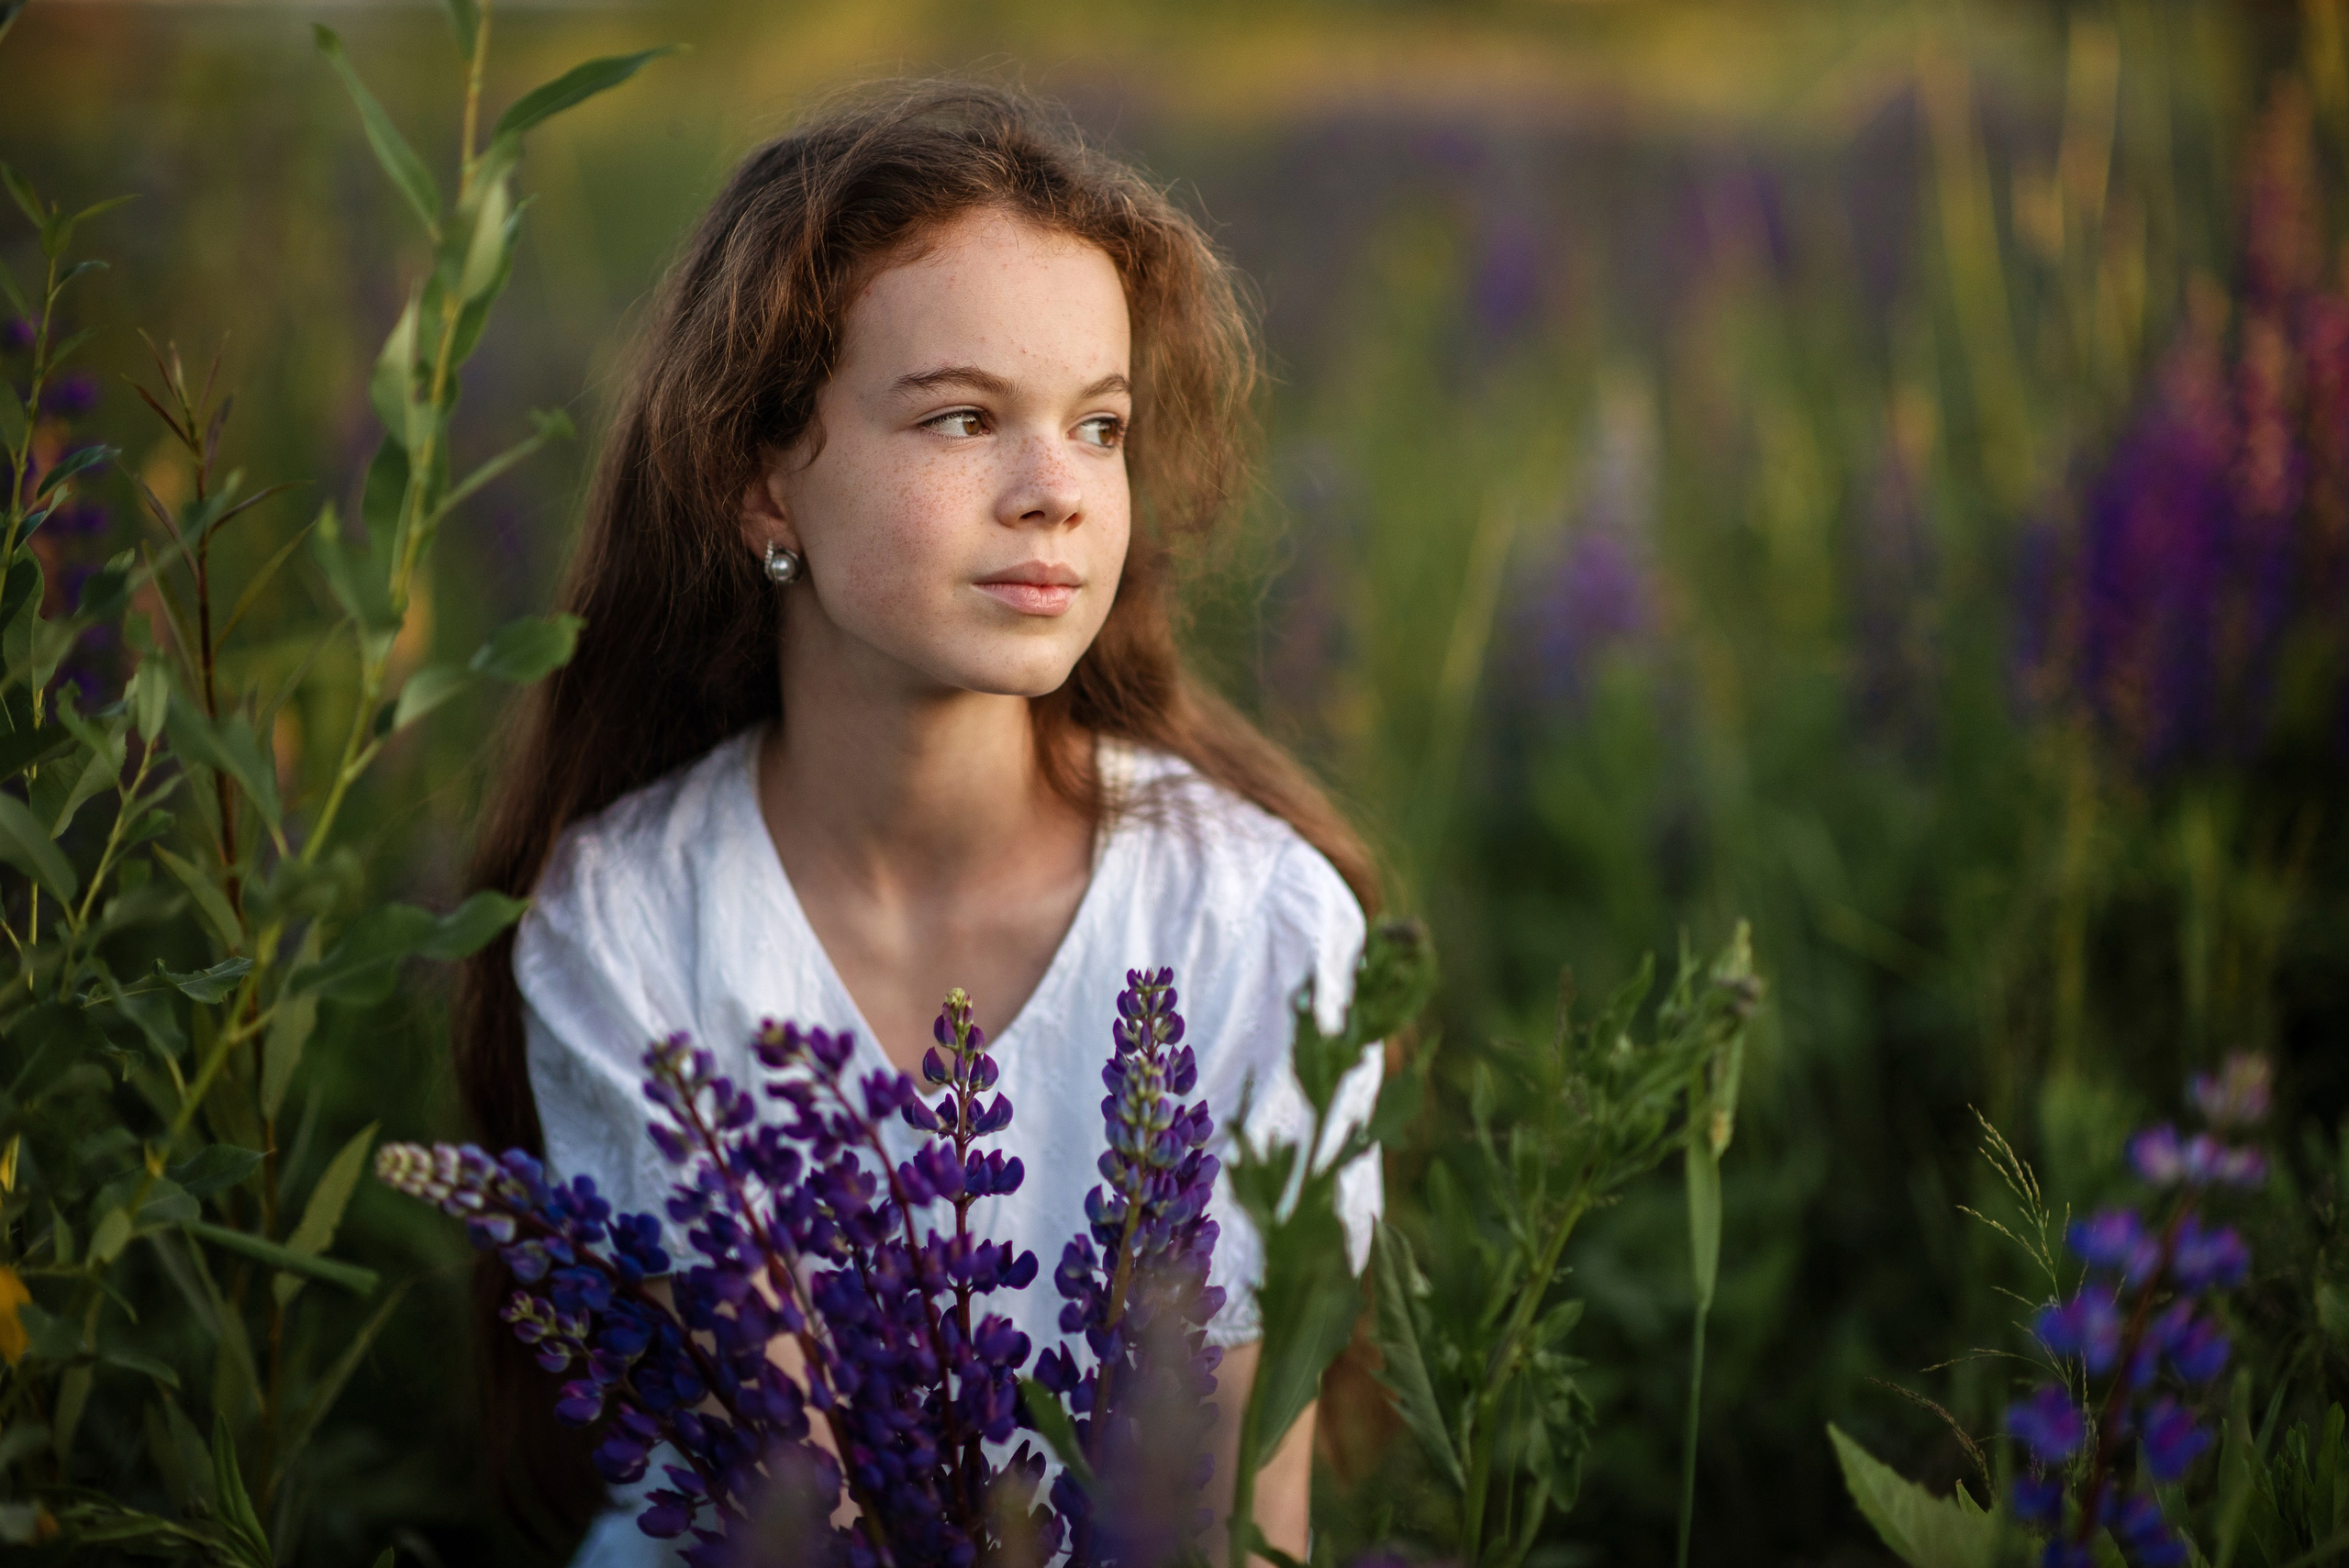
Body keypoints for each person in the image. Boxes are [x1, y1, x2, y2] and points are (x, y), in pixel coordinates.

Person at [455, 82, 1384, 1563]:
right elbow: (777, 1503)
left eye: (1099, 425)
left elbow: (1228, 1519)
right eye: (963, 417)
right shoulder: (628, 914)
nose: (1055, 495)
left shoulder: (1252, 923)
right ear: (765, 482)